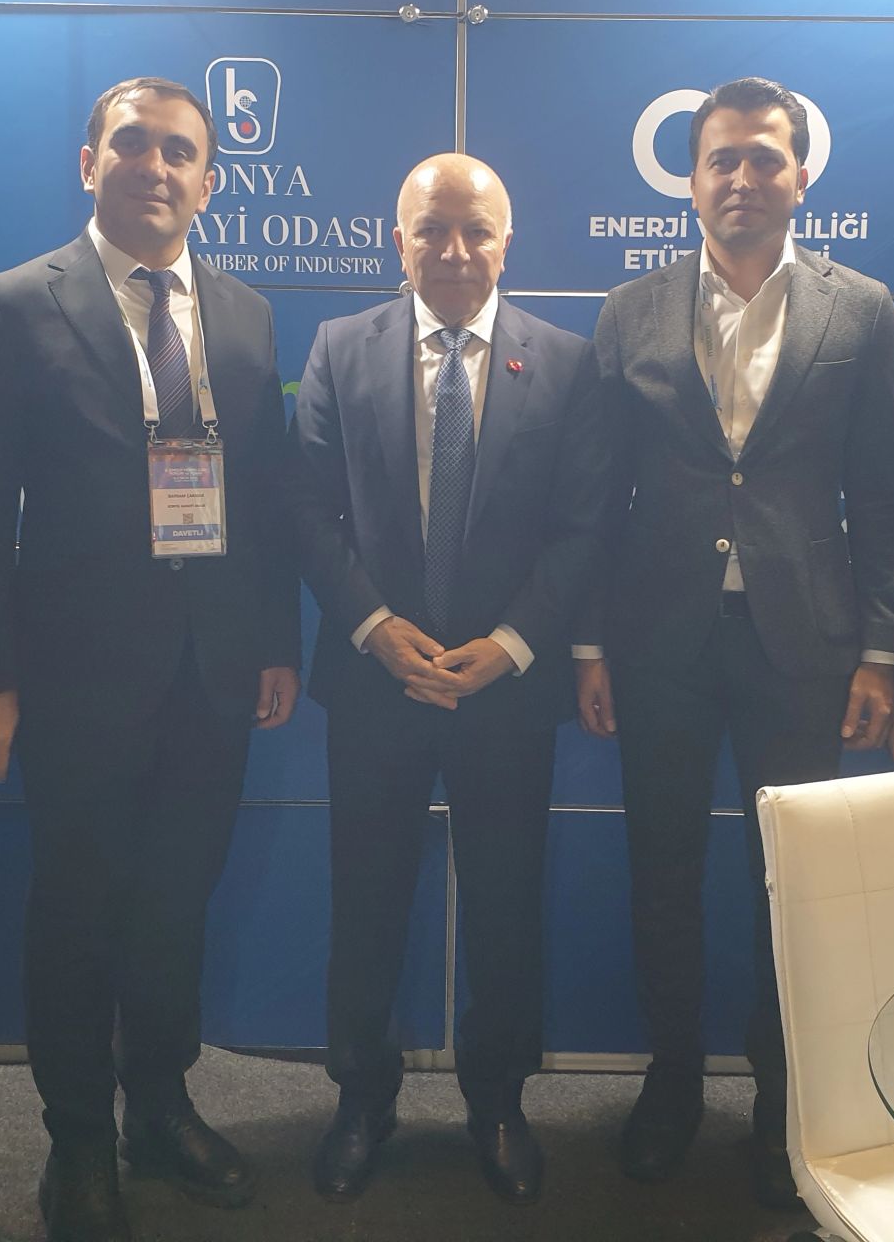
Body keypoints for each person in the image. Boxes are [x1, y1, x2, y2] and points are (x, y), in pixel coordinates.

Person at [0, 78, 300, 1242]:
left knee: (174, 907)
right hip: (71, 678)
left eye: (179, 151)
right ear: (88, 161)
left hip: (212, 672)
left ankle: (159, 1108)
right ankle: (76, 1141)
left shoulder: (243, 313)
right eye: (132, 144)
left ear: (210, 180)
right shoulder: (9, 307)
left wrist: (275, 643)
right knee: (76, 912)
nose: (156, 166)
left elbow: (265, 500)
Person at [577, 77, 894, 1211]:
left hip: (802, 643)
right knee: (661, 871)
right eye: (720, 159)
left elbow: (883, 492)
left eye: (764, 158)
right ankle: (672, 1083)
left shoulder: (859, 310)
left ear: (800, 176)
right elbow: (595, 495)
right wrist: (587, 645)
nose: (742, 178)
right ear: (690, 180)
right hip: (658, 639)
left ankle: (785, 1105)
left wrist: (883, 651)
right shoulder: (629, 310)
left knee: (797, 885)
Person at [289, 154, 609, 1207]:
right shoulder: (339, 348)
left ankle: (498, 1103)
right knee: (365, 902)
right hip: (376, 685)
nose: (454, 250)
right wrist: (375, 629)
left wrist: (510, 645)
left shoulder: (566, 363)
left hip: (504, 692)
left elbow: (581, 529)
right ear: (399, 241)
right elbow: (307, 510)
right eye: (432, 229)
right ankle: (360, 1098)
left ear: (507, 243)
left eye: (476, 231)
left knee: (506, 906)